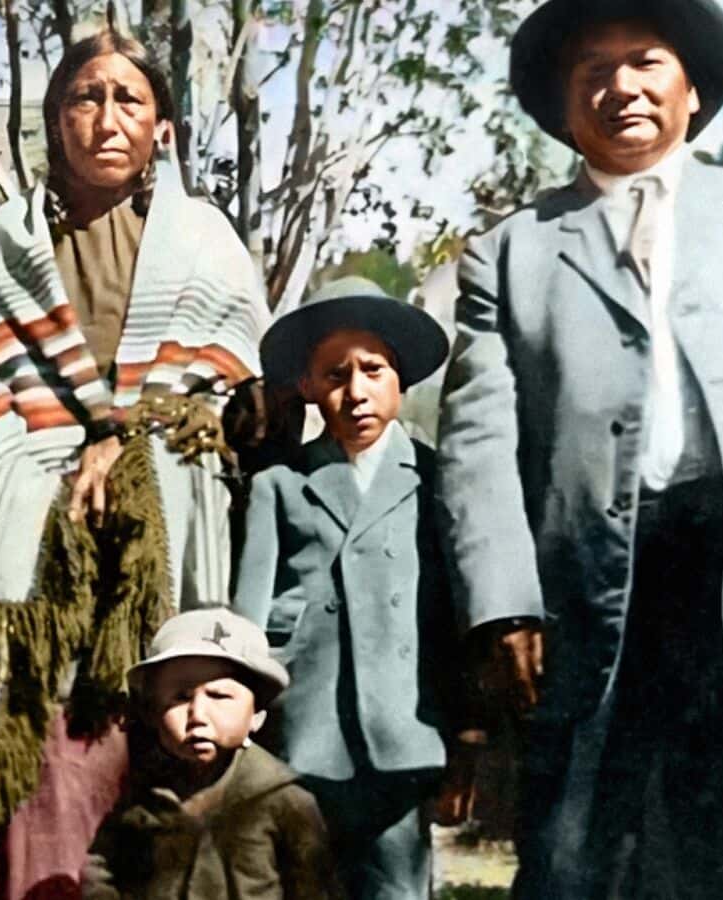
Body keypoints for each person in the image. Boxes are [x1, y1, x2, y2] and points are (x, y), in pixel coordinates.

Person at [435, 1, 723, 897]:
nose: (622, 87)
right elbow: (477, 445)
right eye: (593, 71)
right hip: (585, 606)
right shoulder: (509, 253)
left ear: (692, 89)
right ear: (562, 103)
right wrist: (502, 603)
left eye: (646, 61)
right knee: (575, 864)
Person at [0, 28, 269, 900]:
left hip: (165, 568)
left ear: (163, 129)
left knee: (158, 778)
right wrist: (55, 479)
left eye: (129, 100)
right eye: (85, 97)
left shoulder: (207, 245)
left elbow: (235, 394)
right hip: (29, 571)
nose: (106, 119)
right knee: (41, 778)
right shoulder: (3, 247)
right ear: (53, 118)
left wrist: (131, 443)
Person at [234, 277, 472, 899]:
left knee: (395, 887)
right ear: (308, 387)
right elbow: (249, 620)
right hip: (304, 728)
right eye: (335, 374)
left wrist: (467, 732)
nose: (356, 392)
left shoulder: (435, 478)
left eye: (373, 369)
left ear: (401, 380)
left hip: (402, 729)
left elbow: (454, 615)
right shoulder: (280, 486)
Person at [82, 607, 336, 900]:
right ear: (152, 713)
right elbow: (101, 865)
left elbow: (316, 889)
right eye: (180, 697)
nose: (198, 715)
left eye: (219, 696)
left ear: (257, 717)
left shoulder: (284, 800)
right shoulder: (145, 790)